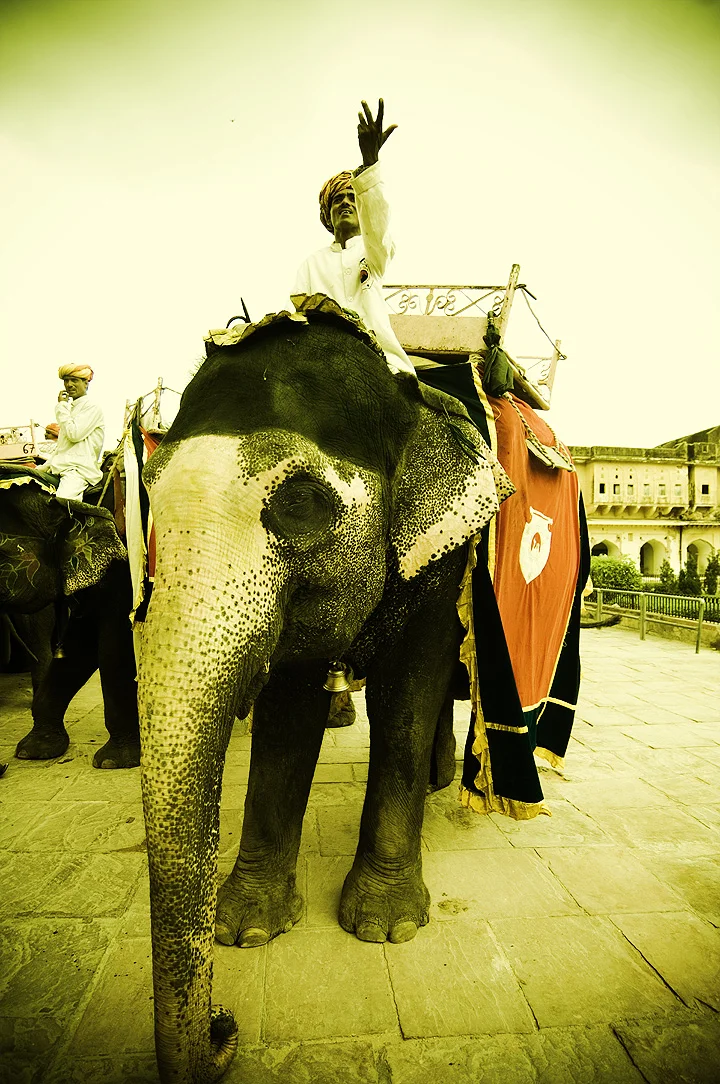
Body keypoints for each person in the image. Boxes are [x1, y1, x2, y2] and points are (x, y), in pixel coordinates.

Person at [292, 98, 415, 377]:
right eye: (337, 199)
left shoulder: (374, 252)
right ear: (328, 213)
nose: (345, 203)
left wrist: (370, 163)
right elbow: (296, 316)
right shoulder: (311, 265)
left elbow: (377, 224)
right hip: (322, 363)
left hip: (379, 362)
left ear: (363, 210)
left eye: (352, 197)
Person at [37, 364, 104, 500]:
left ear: (86, 383)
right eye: (66, 381)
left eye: (74, 380)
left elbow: (74, 435)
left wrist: (61, 406)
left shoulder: (92, 407)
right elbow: (63, 449)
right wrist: (43, 467)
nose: (69, 385)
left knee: (63, 499)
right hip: (62, 467)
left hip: (78, 470)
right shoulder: (71, 409)